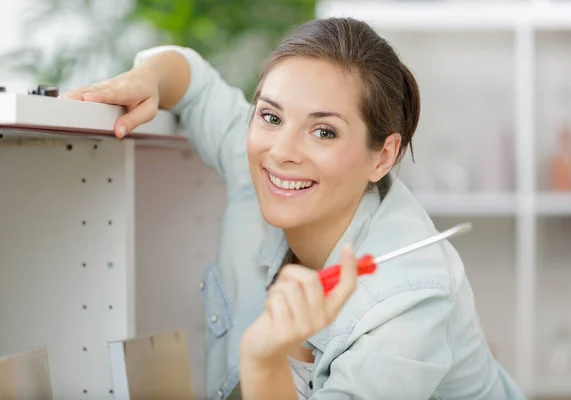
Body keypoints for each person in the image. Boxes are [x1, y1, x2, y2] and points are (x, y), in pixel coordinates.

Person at [61, 17, 525, 400]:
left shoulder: (410, 298)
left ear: (382, 157)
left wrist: (265, 359)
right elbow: (191, 78)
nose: (281, 151)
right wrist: (146, 80)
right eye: (271, 116)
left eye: (323, 131)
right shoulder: (260, 172)